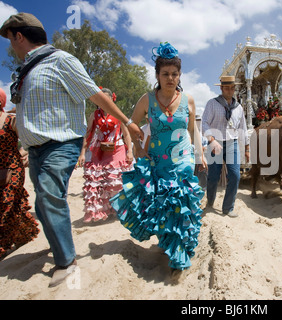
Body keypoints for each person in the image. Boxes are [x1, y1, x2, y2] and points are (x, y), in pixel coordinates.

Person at [0, 12, 142, 287]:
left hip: (61, 144)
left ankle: (66, 262)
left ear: (19, 36)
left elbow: (95, 94)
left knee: (50, 194)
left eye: (10, 39)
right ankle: (58, 242)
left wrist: (128, 122)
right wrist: (27, 144)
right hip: (37, 150)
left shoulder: (61, 60)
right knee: (43, 203)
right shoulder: (23, 72)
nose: (10, 46)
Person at [110, 42, 207, 271]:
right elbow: (130, 124)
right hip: (156, 161)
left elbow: (193, 131)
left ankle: (179, 252)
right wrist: (137, 148)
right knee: (162, 205)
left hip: (181, 160)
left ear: (179, 75)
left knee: (180, 200)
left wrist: (199, 155)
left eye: (174, 74)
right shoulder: (147, 100)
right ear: (157, 75)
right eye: (165, 74)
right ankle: (167, 241)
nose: (170, 78)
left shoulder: (188, 100)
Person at [77, 88, 134, 223]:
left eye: (107, 98)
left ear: (112, 100)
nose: (104, 101)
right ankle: (104, 210)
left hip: (117, 148)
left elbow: (126, 134)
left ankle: (119, 210)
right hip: (100, 150)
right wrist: (83, 153)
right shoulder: (94, 115)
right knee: (98, 180)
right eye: (101, 98)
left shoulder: (118, 114)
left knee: (115, 180)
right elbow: (88, 134)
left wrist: (130, 151)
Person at [202, 75, 250, 217]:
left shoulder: (239, 108)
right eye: (226, 87)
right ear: (221, 88)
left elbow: (243, 128)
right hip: (214, 143)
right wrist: (211, 140)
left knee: (235, 175)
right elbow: (204, 123)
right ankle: (210, 201)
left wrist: (247, 148)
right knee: (213, 177)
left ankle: (228, 208)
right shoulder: (212, 104)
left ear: (235, 89)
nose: (229, 90)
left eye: (232, 88)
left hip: (232, 143)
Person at [0, 87, 39, 258]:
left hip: (12, 169)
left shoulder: (10, 120)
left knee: (6, 204)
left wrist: (23, 154)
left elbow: (28, 140)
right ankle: (24, 234)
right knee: (13, 205)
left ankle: (3, 246)